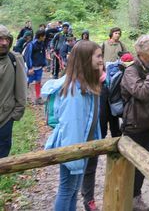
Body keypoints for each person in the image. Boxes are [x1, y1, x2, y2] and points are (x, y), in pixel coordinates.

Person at [42, 40, 103, 211]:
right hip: (74, 150)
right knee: (67, 190)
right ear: (85, 59)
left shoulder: (85, 86)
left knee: (73, 190)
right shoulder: (73, 92)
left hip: (81, 148)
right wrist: (75, 158)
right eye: (98, 56)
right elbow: (72, 128)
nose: (101, 60)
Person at [81, 53, 133, 211]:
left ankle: (88, 198)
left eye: (101, 58)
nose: (100, 61)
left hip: (106, 119)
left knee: (92, 163)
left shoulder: (107, 82)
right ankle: (86, 197)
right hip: (88, 133)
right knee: (83, 167)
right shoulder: (81, 87)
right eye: (97, 58)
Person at [121, 35, 149, 211]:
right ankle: (127, 200)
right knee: (132, 166)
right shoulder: (130, 71)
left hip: (148, 124)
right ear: (140, 53)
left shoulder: (148, 67)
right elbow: (142, 93)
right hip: (135, 127)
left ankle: (135, 199)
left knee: (144, 165)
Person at [0, 25, 28, 158]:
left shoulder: (15, 59)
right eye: (0, 39)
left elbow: (22, 90)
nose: (4, 42)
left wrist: (15, 115)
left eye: (7, 39)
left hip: (5, 119)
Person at [24, 29, 47, 104]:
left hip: (39, 67)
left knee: (38, 82)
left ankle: (38, 98)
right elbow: (28, 56)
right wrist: (30, 67)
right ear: (40, 36)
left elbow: (43, 54)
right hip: (32, 68)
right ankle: (24, 96)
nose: (45, 37)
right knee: (28, 82)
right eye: (44, 36)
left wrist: (44, 64)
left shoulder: (42, 44)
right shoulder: (32, 44)